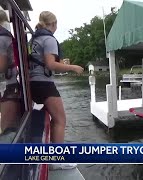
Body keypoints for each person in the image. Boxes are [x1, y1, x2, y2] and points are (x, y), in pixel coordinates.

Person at [29, 11, 83, 170]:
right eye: (56, 24)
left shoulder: (34, 39)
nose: (56, 27)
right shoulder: (49, 39)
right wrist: (72, 67)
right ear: (52, 24)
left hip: (33, 83)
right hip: (44, 83)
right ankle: (57, 160)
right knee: (60, 119)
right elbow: (51, 65)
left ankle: (52, 155)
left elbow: (39, 61)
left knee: (54, 118)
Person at [0, 10, 21, 142]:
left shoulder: (1, 38)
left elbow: (1, 67)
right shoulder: (7, 36)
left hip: (9, 88)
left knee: (7, 129)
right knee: (10, 128)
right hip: (12, 85)